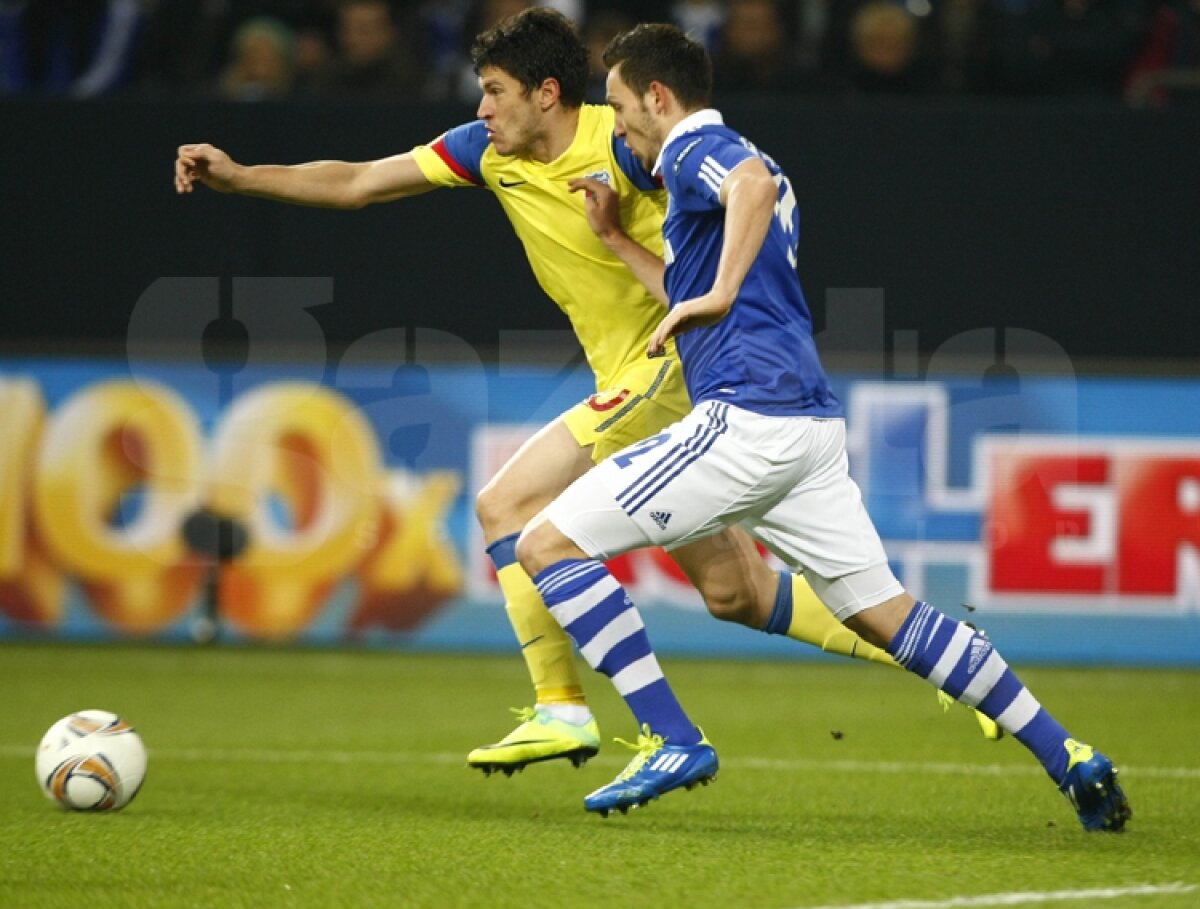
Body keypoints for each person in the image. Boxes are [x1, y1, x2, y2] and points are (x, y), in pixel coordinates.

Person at [173, 7, 986, 781]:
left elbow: (742, 192)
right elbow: (356, 181)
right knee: (735, 593)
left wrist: (724, 288)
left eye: (494, 90)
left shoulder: (628, 143)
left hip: (669, 367)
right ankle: (945, 658)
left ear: (546, 93)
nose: (481, 107)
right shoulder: (486, 152)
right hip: (626, 382)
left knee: (504, 507)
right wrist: (241, 177)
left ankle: (562, 706)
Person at [514, 21, 1132, 830]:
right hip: (807, 429)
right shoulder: (741, 169)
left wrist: (721, 291)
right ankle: (1070, 754)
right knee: (887, 615)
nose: (617, 123)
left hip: (747, 418)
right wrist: (617, 241)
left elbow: (747, 193)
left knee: (545, 545)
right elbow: (700, 277)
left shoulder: (707, 147)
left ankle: (670, 735)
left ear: (659, 98)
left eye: (623, 106)